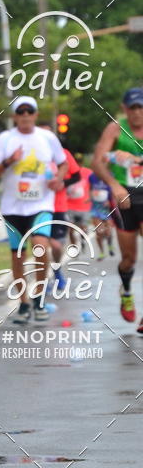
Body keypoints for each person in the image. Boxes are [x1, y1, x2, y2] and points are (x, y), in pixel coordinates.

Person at [0, 97, 67, 324]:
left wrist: (58, 179)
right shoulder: (5, 139)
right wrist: (8, 162)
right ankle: (23, 303)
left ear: (35, 114)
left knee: (41, 247)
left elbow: (63, 163)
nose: (24, 115)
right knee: (18, 255)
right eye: (20, 112)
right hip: (13, 207)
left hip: (41, 204)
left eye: (29, 111)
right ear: (14, 116)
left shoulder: (47, 137)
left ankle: (39, 297)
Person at [92, 87, 143, 332]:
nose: (137, 112)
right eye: (132, 107)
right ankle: (126, 291)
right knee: (129, 258)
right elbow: (97, 161)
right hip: (125, 196)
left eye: (141, 107)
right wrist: (114, 185)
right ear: (124, 109)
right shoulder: (115, 128)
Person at [38, 123, 81, 291]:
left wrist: (63, 183)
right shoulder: (32, 155)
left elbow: (76, 175)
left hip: (58, 206)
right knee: (41, 246)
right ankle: (43, 280)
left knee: (56, 246)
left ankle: (56, 271)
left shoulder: (63, 155)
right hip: (37, 207)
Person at [65, 154, 92, 253]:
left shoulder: (88, 172)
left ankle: (83, 240)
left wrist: (90, 197)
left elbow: (94, 185)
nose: (77, 164)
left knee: (83, 227)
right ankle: (74, 247)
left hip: (83, 205)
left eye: (79, 162)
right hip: (69, 205)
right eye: (75, 161)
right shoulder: (67, 172)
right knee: (70, 228)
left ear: (82, 162)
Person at [88, 171, 115, 259]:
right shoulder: (92, 176)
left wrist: (110, 201)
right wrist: (90, 195)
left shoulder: (110, 174)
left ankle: (110, 245)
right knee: (99, 231)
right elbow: (89, 188)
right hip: (95, 208)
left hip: (106, 208)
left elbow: (113, 190)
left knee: (108, 231)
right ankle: (102, 252)